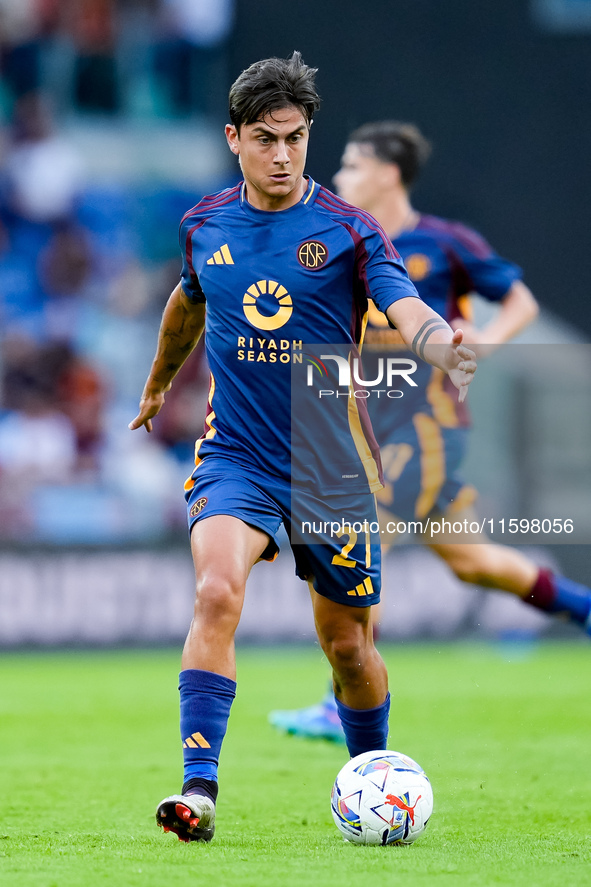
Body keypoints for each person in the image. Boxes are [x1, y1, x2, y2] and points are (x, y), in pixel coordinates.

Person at [129, 58, 476, 842]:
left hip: (331, 464)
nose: (283, 154)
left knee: (349, 648)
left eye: (295, 138)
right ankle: (197, 789)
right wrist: (155, 387)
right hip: (236, 456)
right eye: (265, 139)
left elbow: (402, 301)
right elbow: (186, 307)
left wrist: (438, 341)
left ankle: (374, 778)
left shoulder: (350, 231)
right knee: (216, 592)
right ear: (234, 139)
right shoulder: (205, 226)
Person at [268, 120, 591, 744]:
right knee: (474, 563)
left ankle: (343, 704)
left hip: (426, 427)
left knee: (366, 542)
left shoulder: (444, 244)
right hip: (371, 428)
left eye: (351, 167)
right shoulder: (342, 241)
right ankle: (585, 608)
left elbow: (518, 298)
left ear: (387, 174)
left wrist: (487, 347)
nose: (339, 178)